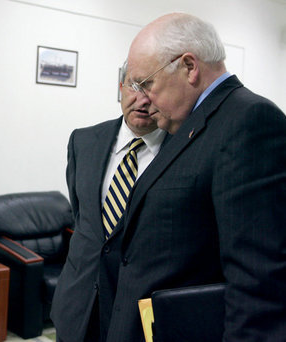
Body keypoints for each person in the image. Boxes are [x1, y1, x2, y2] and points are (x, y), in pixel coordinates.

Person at [99, 13, 286, 342]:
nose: (143, 99)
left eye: (148, 84)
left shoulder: (249, 121)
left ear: (189, 67)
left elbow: (258, 281)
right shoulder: (186, 123)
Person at [50, 61, 167, 342]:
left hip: (142, 313)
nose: (143, 99)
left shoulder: (183, 148)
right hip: (78, 303)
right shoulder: (84, 140)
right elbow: (83, 218)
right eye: (135, 85)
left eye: (155, 88)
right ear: (121, 87)